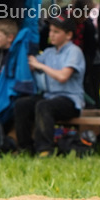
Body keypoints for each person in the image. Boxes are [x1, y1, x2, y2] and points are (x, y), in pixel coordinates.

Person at [13, 16, 85, 157]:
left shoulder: (74, 52)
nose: (51, 34)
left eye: (56, 32)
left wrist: (40, 65)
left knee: (44, 106)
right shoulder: (49, 52)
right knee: (22, 104)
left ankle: (45, 149)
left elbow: (63, 76)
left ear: (69, 35)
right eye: (51, 31)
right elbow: (31, 65)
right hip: (49, 97)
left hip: (70, 100)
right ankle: (25, 148)